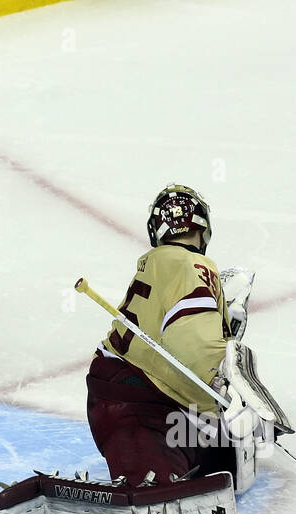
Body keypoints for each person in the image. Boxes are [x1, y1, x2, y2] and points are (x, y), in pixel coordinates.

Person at [85, 183, 242, 487]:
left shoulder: (160, 263)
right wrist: (218, 404)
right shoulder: (194, 264)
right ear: (203, 227)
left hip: (129, 396)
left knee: (211, 463)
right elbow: (196, 348)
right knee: (155, 491)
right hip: (141, 404)